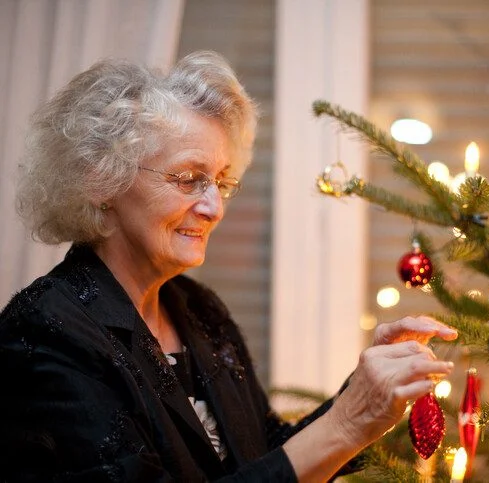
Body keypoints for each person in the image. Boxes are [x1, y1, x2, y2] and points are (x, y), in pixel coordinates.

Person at [0, 51, 457, 482]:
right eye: (189, 179)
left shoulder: (198, 310)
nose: (214, 207)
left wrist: (365, 394)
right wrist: (347, 420)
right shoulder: (46, 333)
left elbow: (266, 453)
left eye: (220, 181)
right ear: (102, 180)